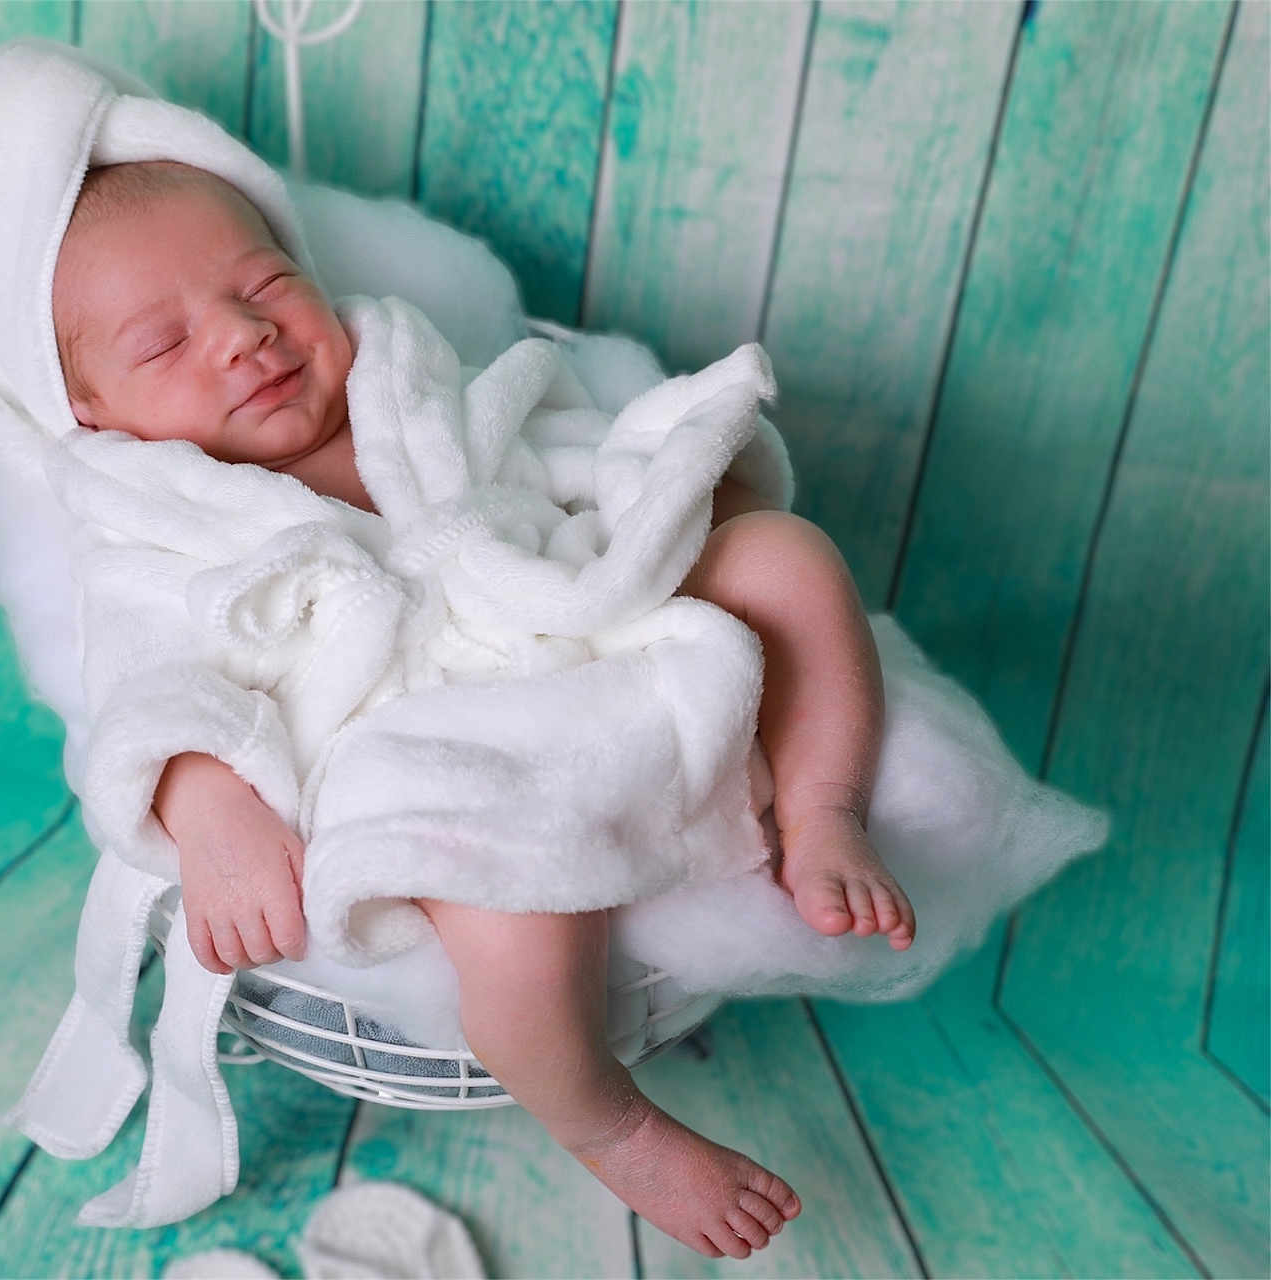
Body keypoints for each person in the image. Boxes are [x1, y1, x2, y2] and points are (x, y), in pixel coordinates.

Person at [48, 157, 915, 1260]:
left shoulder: (408, 383)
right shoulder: (144, 520)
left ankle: (825, 805)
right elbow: (153, 690)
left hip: (568, 620)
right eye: (165, 343)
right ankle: (608, 1120)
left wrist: (675, 492)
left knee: (784, 557)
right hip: (418, 743)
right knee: (513, 887)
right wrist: (212, 809)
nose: (241, 335)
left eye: (264, 286)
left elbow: (559, 447)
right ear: (95, 408)